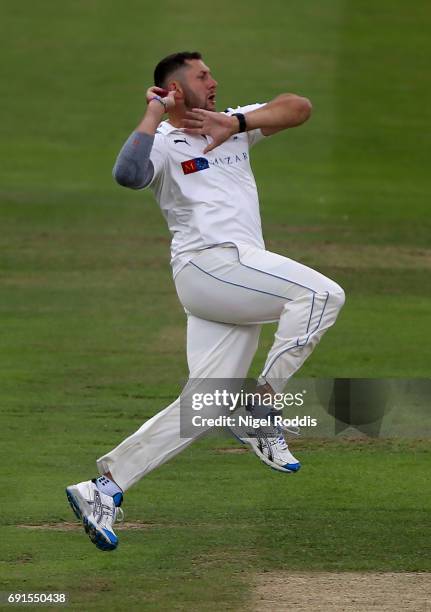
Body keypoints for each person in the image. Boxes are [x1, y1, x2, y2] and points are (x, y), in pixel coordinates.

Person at [66, 51, 345, 551]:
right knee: (321, 294)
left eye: (212, 73)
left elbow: (298, 106)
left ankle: (103, 488)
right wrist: (153, 114)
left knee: (204, 405)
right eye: (202, 76)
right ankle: (260, 406)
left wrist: (236, 121)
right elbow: (128, 175)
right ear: (175, 88)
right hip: (209, 266)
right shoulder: (164, 143)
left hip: (236, 278)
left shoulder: (234, 124)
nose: (214, 81)